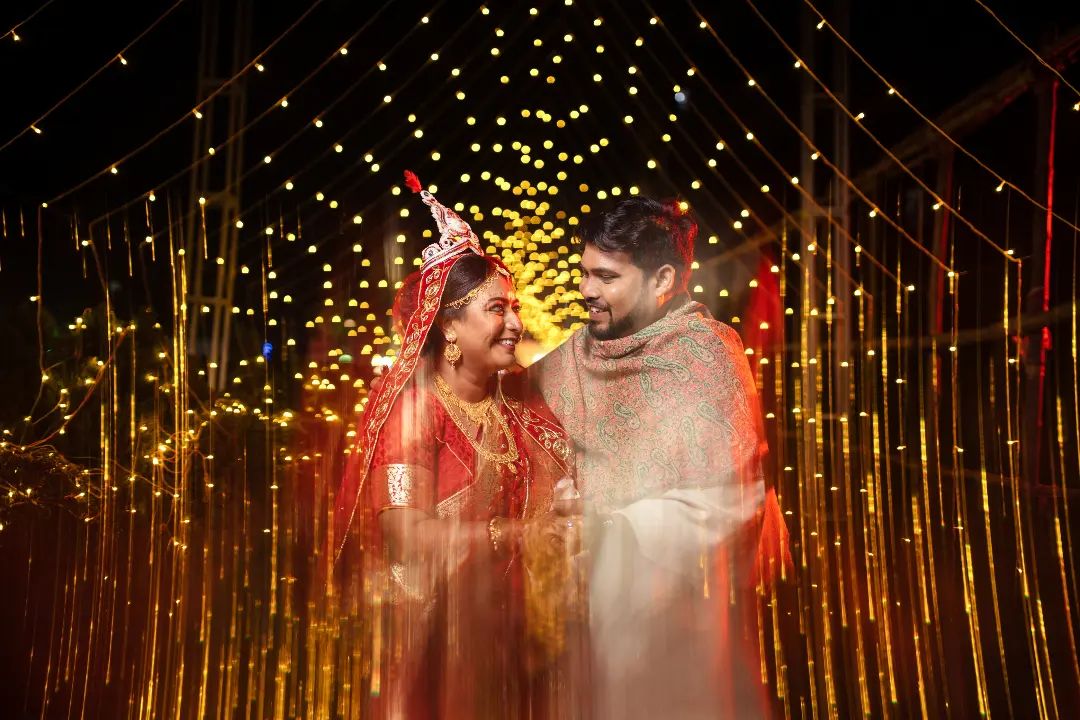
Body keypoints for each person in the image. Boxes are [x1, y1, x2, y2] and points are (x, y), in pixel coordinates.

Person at [529, 196, 791, 718]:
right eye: (584, 273)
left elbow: (731, 501)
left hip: (681, 632)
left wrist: (615, 529)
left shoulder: (707, 358)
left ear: (662, 280)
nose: (586, 291)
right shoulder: (566, 364)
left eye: (606, 277)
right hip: (575, 635)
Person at [333, 172, 582, 719]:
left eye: (513, 307)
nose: (516, 322)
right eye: (497, 309)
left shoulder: (520, 409)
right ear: (448, 328)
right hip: (434, 644)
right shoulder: (415, 410)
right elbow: (405, 536)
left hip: (514, 643)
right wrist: (515, 533)